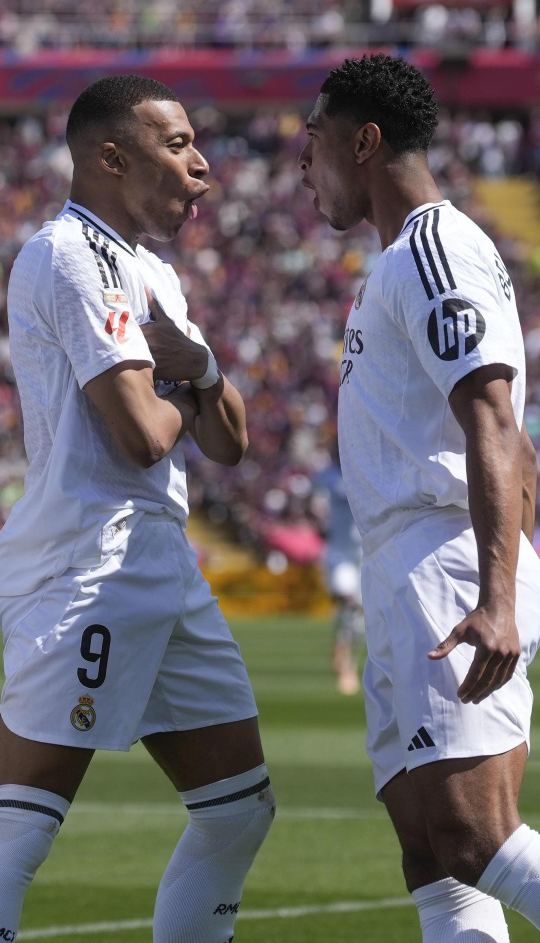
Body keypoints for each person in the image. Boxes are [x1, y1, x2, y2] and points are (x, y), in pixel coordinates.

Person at [0, 75, 275, 943]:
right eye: (180, 145)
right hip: (90, 563)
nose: (203, 168)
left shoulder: (152, 270)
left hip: (160, 562)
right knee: (20, 827)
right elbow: (142, 436)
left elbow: (227, 440)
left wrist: (194, 371)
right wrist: (186, 381)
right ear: (113, 157)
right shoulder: (68, 255)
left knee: (239, 812)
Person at [298, 54, 540, 940]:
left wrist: (500, 597)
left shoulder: (436, 248)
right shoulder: (397, 262)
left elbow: (493, 417)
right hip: (407, 565)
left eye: (313, 143)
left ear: (364, 141)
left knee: (477, 837)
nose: (302, 166)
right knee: (431, 854)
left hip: (447, 562)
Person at [314, 453, 364, 694]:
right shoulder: (330, 477)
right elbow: (314, 500)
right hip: (340, 553)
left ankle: (346, 652)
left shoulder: (370, 470)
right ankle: (346, 664)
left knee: (359, 613)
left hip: (367, 553)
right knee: (348, 601)